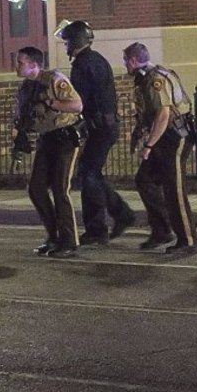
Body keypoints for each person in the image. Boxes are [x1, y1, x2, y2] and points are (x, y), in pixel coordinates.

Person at [56, 20, 136, 246]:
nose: (66, 47)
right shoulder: (97, 59)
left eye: (67, 42)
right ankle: (111, 219)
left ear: (75, 42)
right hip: (105, 127)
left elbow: (79, 100)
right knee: (90, 173)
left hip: (99, 127)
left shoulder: (83, 65)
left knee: (88, 174)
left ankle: (103, 224)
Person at [123, 42, 197, 256]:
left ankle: (188, 240)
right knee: (144, 180)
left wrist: (148, 145)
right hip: (162, 137)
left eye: (125, 61)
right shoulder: (144, 80)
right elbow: (148, 113)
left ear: (133, 61)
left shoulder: (155, 79)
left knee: (174, 189)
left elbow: (163, 115)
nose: (125, 66)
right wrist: (139, 134)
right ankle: (162, 230)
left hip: (175, 137)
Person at [14, 46, 84, 258]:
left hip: (64, 138)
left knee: (60, 189)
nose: (16, 66)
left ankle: (69, 241)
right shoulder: (27, 88)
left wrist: (52, 102)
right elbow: (23, 116)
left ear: (34, 64)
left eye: (20, 62)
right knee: (36, 188)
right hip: (46, 139)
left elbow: (77, 105)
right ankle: (53, 236)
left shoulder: (54, 80)